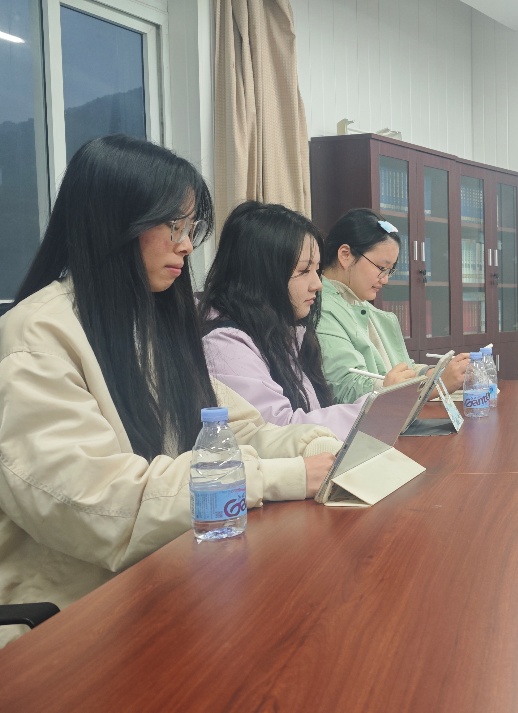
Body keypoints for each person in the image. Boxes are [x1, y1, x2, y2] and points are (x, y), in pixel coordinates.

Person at [0, 136, 340, 646]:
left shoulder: (152, 324)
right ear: (114, 221)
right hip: (76, 622)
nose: (186, 245)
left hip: (170, 584)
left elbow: (239, 429)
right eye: (172, 225)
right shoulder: (37, 337)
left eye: (190, 228)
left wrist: (320, 449)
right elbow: (99, 504)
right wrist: (281, 477)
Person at [201, 202, 365, 440]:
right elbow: (280, 433)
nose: (317, 284)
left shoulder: (281, 332)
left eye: (317, 270)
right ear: (261, 274)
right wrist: (371, 410)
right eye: (304, 271)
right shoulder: (225, 345)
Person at [316, 208, 467, 404]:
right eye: (381, 268)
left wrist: (439, 373)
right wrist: (437, 384)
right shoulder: (321, 308)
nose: (385, 279)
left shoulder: (365, 308)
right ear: (345, 255)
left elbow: (402, 370)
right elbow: (346, 389)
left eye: (389, 270)